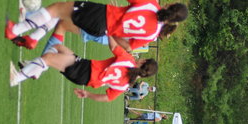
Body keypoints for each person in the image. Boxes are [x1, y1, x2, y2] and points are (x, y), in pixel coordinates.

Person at [4, 0, 188, 52]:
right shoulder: (152, 34)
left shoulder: (151, 3)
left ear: (171, 5)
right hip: (102, 31)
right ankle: (33, 38)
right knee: (61, 17)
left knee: (57, 8)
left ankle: (16, 30)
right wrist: (113, 33)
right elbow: (129, 47)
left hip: (101, 14)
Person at [10, 36, 157, 102]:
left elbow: (113, 46)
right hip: (85, 73)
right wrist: (88, 94)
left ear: (143, 61)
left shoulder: (129, 60)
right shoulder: (127, 84)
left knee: (49, 58)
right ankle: (34, 69)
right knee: (57, 47)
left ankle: (17, 78)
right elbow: (107, 98)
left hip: (85, 71)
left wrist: (109, 30)